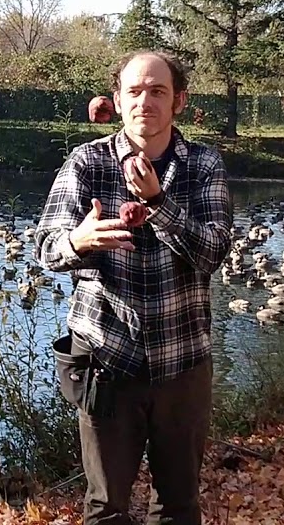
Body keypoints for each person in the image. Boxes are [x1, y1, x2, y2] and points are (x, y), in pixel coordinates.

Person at [33, 51, 233, 525]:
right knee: (105, 509)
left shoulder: (203, 165)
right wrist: (76, 241)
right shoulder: (86, 163)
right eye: (136, 91)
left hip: (182, 364)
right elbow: (44, 250)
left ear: (178, 101)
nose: (147, 101)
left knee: (179, 506)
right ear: (118, 101)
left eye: (159, 91)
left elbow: (213, 253)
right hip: (106, 360)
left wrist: (157, 203)